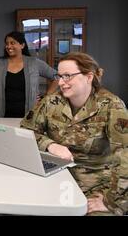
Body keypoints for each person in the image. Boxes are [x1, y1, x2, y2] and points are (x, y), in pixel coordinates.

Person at [20, 52, 127, 215]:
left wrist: (113, 203)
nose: (61, 83)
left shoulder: (112, 106)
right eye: (59, 76)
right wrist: (50, 145)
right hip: (54, 177)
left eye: (68, 76)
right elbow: (26, 131)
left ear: (89, 76)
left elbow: (125, 156)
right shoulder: (51, 101)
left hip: (96, 185)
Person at [0, 31, 57, 118]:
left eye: (12, 43)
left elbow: (57, 77)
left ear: (22, 45)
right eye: (7, 44)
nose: (8, 46)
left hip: (30, 117)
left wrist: (46, 96)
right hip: (4, 116)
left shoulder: (34, 63)